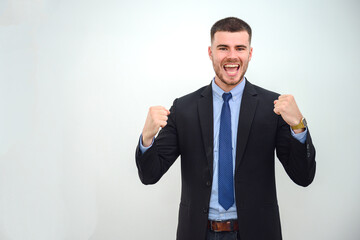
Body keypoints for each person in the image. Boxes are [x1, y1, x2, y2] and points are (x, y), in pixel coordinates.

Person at [135, 17, 316, 240]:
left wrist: (298, 125)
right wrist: (147, 138)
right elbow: (150, 175)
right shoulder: (184, 108)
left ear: (249, 53)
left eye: (240, 48)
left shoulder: (274, 108)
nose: (232, 56)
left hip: (256, 233)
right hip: (198, 233)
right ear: (210, 53)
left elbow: (303, 176)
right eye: (223, 48)